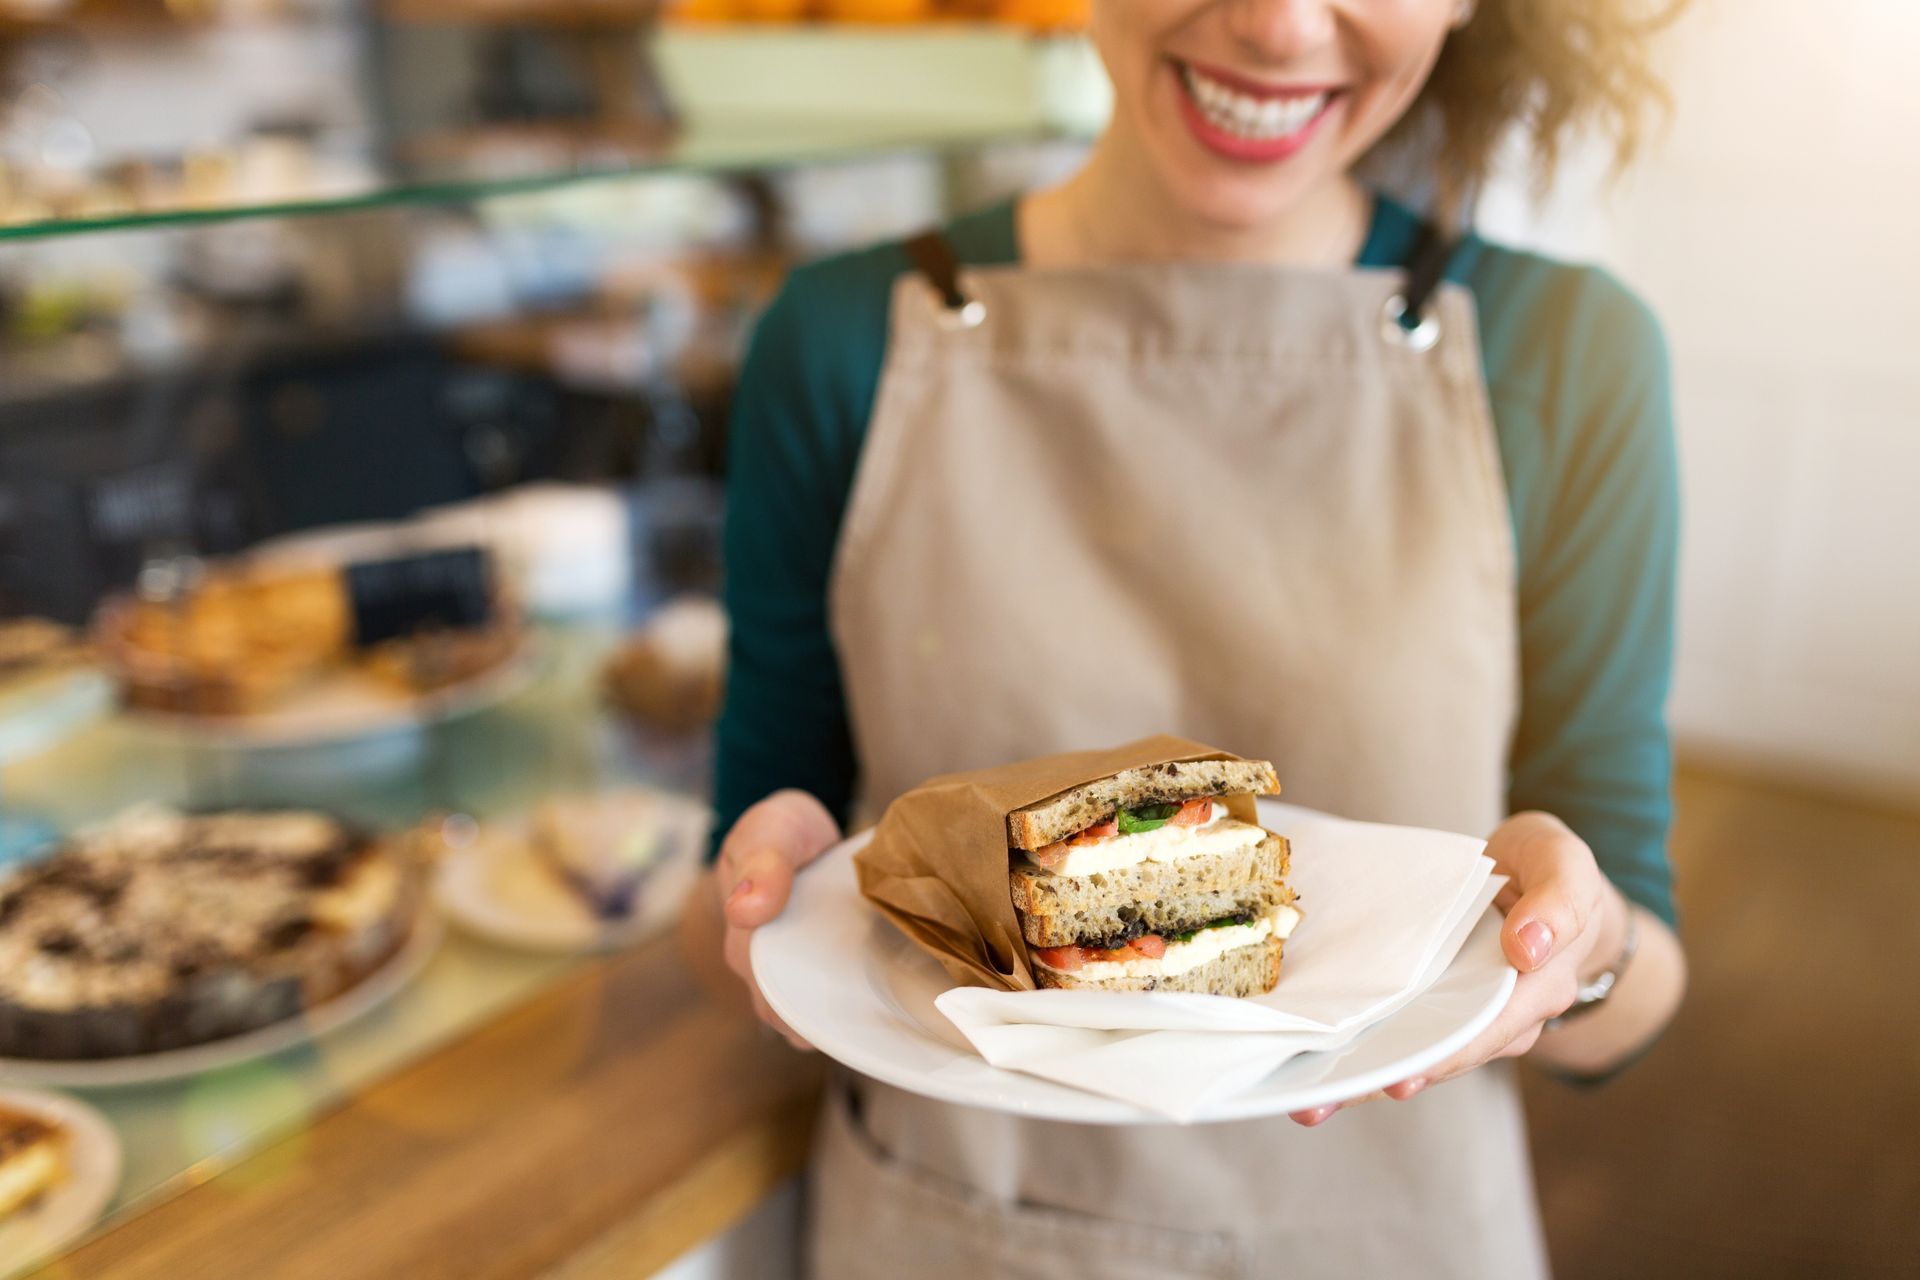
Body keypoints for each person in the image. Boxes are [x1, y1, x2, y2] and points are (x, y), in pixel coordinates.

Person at [685, 1, 1691, 1274]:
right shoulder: (838, 339)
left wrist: (1584, 948)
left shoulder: (1572, 353)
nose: (1276, 24)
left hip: (1390, 1227)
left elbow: (1636, 987)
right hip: (950, 1222)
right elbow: (721, 921)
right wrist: (769, 902)